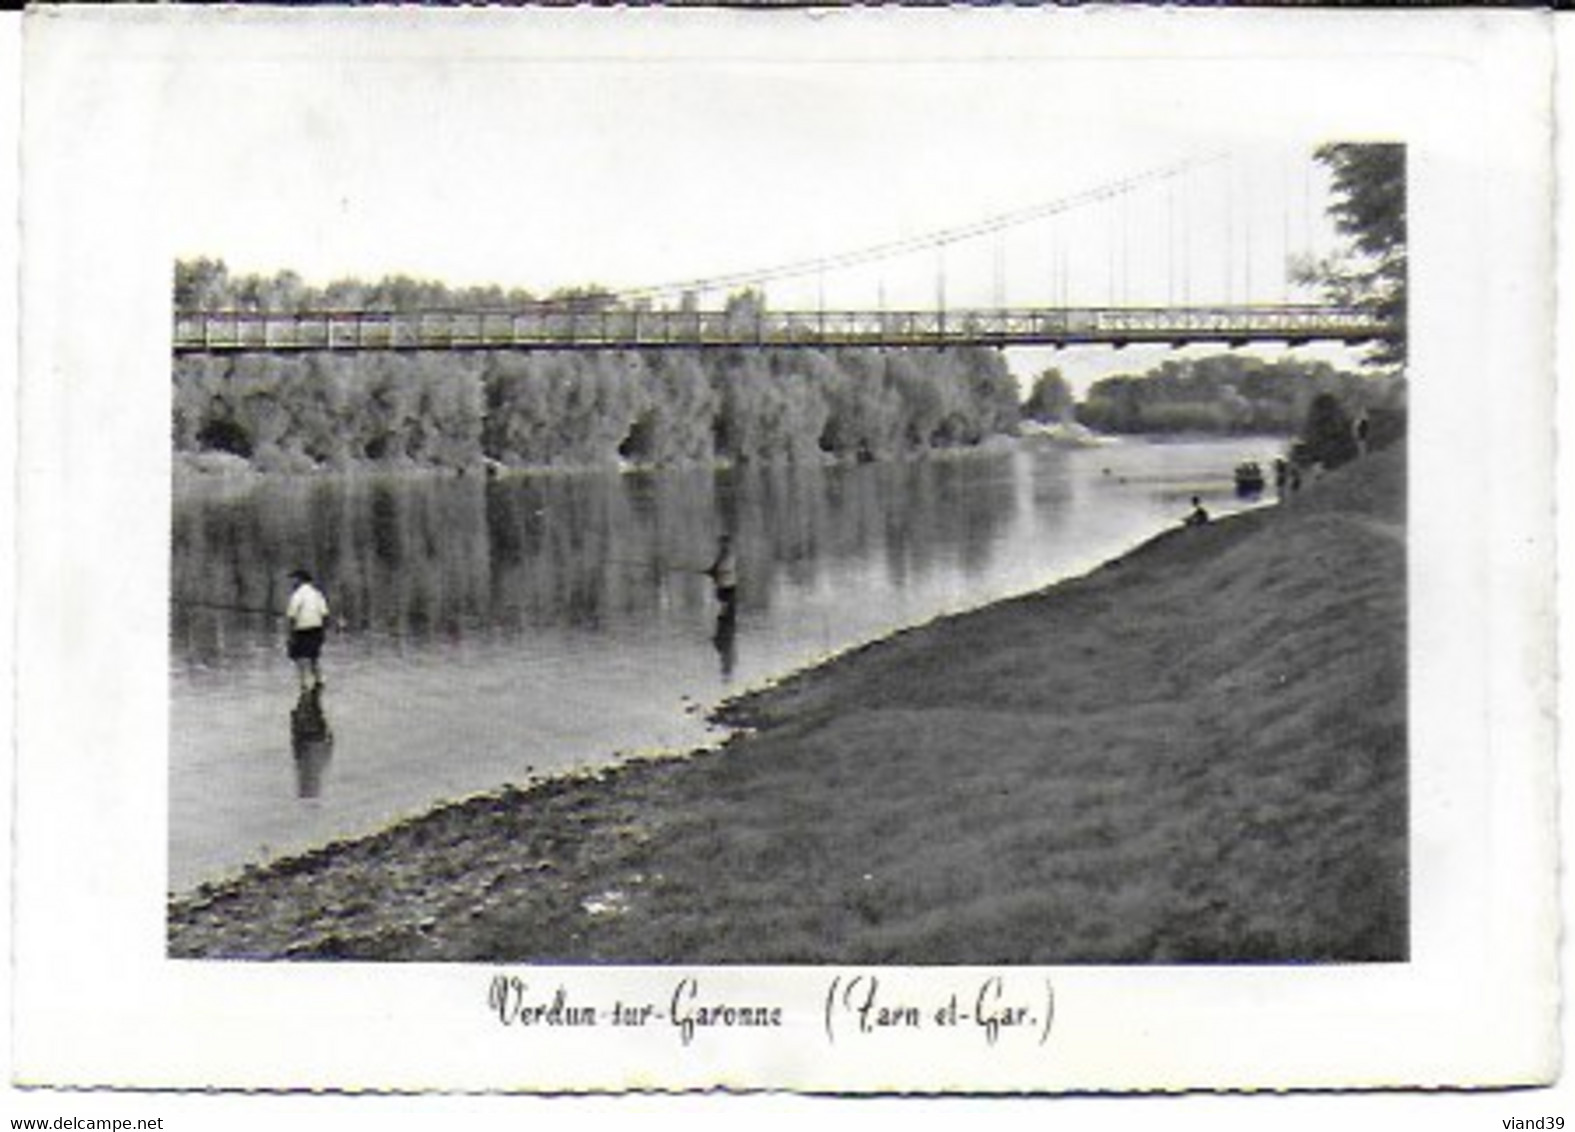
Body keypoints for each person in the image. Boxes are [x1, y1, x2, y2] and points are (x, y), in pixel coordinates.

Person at [285, 568, 331, 690]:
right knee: (313, 657)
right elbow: (325, 614)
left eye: (294, 579)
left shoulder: (297, 595)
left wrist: (290, 635)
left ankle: (305, 684)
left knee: (299, 657)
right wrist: (323, 632)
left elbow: (292, 616)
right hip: (317, 630)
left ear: (300, 580)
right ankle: (320, 681)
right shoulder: (317, 594)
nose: (292, 582)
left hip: (302, 630)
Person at [706, 533, 738, 610]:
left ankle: (725, 611)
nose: (721, 544)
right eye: (721, 543)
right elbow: (717, 564)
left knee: (724, 600)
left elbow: (717, 564)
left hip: (726, 582)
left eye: (722, 542)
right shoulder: (728, 552)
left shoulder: (725, 552)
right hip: (728, 581)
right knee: (726, 600)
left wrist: (712, 571)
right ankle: (726, 611)